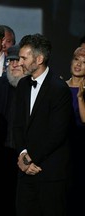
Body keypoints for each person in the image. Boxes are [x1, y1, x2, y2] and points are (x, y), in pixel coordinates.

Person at [13, 33, 73, 216]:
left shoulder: (59, 88)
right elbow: (17, 126)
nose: (19, 62)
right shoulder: (23, 85)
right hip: (25, 173)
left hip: (49, 172)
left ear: (39, 59)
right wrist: (23, 156)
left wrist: (31, 159)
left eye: (24, 58)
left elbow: (57, 132)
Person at [0, 45, 25, 216]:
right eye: (11, 61)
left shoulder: (32, 86)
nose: (14, 64)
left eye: (18, 60)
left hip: (23, 153)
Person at [66, 46, 85, 215]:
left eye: (84, 62)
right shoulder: (59, 87)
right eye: (76, 60)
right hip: (62, 146)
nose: (78, 65)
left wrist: (80, 98)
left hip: (81, 145)